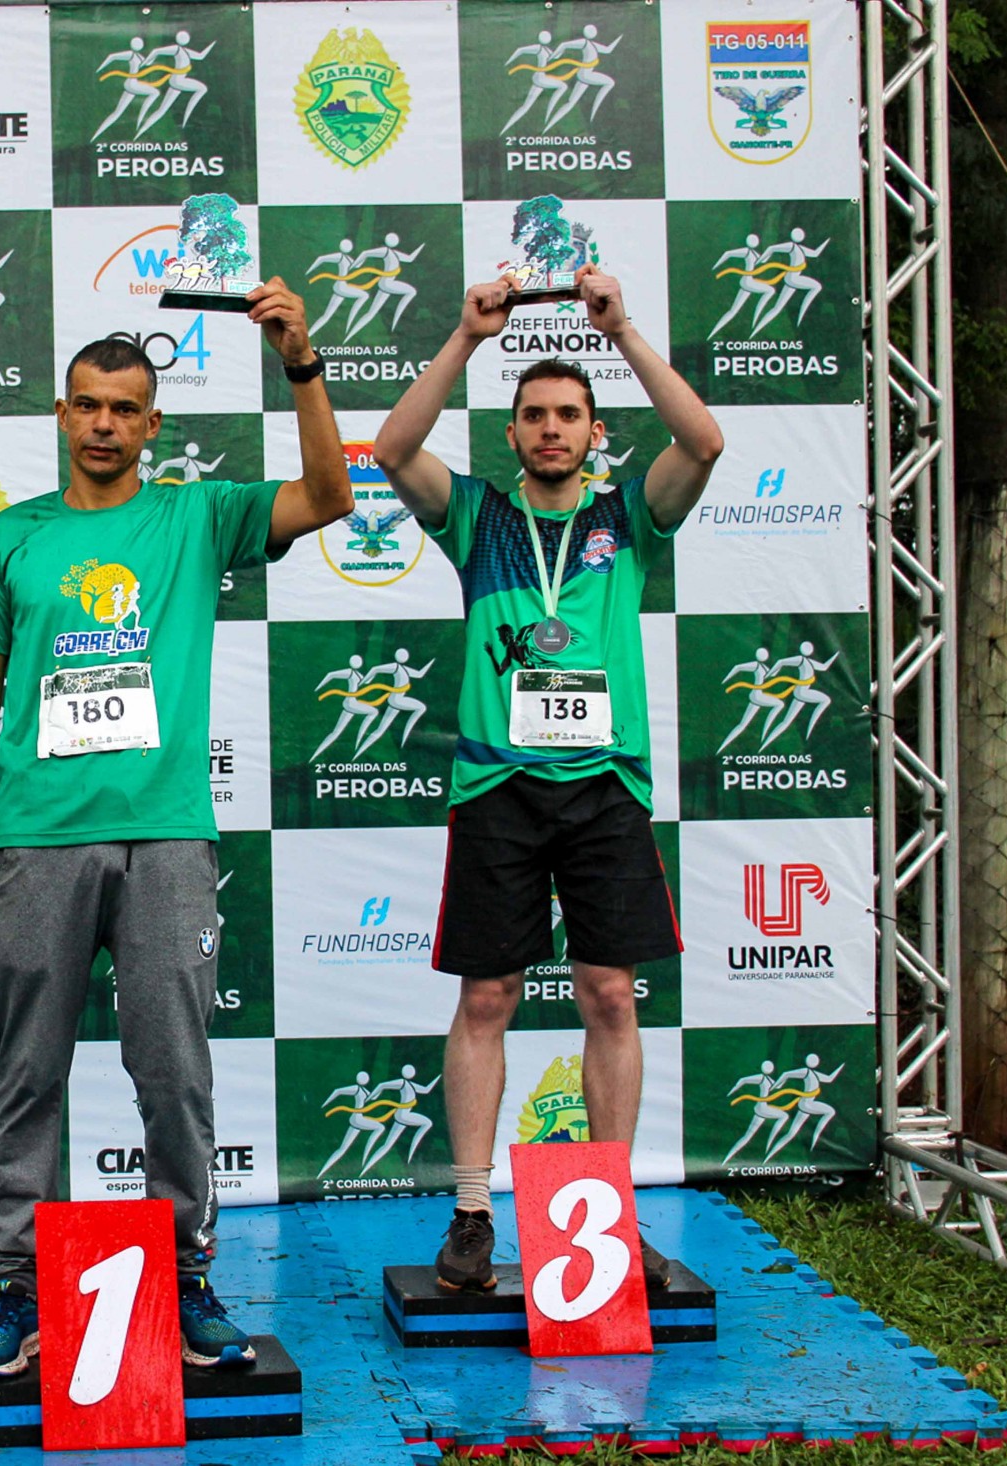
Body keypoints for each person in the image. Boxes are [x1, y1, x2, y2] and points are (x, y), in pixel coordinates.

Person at [0, 290, 352, 1377]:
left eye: (125, 408)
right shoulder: (13, 534)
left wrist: (300, 364)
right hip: (36, 837)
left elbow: (330, 494)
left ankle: (186, 1272)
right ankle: (14, 1288)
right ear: (62, 414)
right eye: (87, 404)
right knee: (27, 1071)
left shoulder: (196, 517)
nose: (104, 423)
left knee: (173, 1070)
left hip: (165, 837)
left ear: (152, 424)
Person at [372, 266, 724, 1293]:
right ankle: (471, 1213)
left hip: (605, 787)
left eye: (569, 415)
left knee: (610, 992)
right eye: (534, 415)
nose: (551, 428)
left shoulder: (630, 519)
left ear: (594, 432)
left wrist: (622, 331)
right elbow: (391, 450)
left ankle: (604, 1211)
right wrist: (465, 336)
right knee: (487, 994)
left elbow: (704, 442)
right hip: (498, 787)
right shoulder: (477, 518)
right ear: (513, 432)